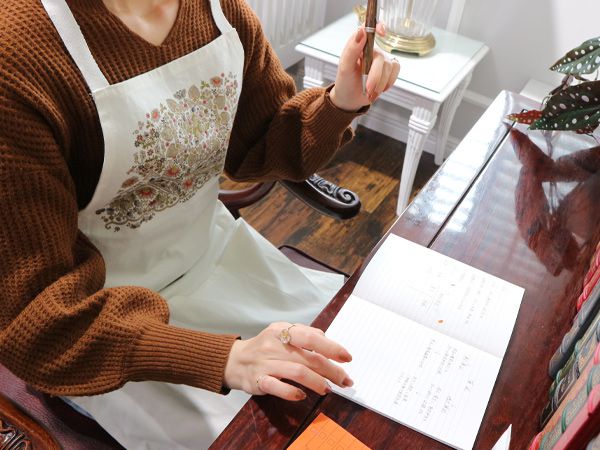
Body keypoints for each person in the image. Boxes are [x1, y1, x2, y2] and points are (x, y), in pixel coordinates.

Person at [0, 0, 399, 447]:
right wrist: (229, 358)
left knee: (366, 379)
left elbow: (261, 143)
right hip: (107, 330)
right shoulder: (17, 54)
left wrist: (342, 100)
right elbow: (33, 314)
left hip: (222, 259)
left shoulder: (221, 11)